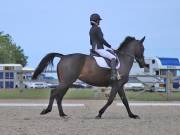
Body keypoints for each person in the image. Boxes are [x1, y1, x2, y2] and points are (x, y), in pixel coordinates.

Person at [89, 13, 117, 81]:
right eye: (99, 20)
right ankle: (113, 75)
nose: (99, 22)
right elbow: (101, 39)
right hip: (99, 48)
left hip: (94, 48)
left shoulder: (91, 29)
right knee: (113, 57)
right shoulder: (97, 28)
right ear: (96, 20)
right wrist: (110, 46)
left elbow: (91, 42)